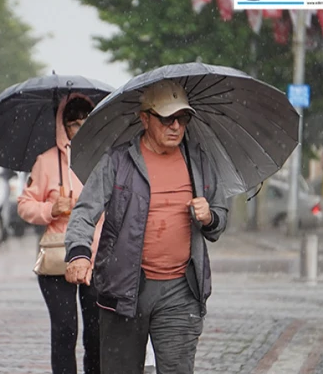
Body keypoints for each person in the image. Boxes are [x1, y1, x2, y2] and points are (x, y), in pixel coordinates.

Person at [64, 80, 229, 374]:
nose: (176, 126)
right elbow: (84, 213)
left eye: (183, 118)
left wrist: (209, 217)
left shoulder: (199, 161)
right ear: (145, 118)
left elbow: (218, 219)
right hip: (124, 288)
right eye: (167, 118)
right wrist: (78, 253)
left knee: (177, 369)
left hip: (181, 289)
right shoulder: (117, 161)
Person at [18, 94, 103, 374]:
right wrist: (51, 209)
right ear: (62, 126)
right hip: (57, 256)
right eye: (73, 123)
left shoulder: (104, 158)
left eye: (86, 122)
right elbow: (25, 205)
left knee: (96, 333)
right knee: (66, 329)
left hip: (98, 255)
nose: (79, 128)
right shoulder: (46, 161)